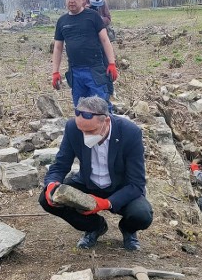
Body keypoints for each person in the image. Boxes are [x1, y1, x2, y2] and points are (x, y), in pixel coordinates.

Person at [40, 96, 153, 251]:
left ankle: (128, 229)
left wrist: (106, 203)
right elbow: (60, 165)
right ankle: (95, 226)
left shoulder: (130, 132)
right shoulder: (73, 128)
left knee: (142, 216)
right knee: (47, 199)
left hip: (121, 187)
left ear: (106, 121)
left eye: (91, 131)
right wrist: (52, 184)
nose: (85, 135)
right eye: (82, 131)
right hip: (88, 183)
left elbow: (137, 183)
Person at [51, 0, 118, 109]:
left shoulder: (93, 16)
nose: (71, 0)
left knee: (100, 109)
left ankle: (108, 128)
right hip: (75, 72)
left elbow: (105, 40)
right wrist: (55, 72)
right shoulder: (62, 21)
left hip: (95, 70)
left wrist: (112, 64)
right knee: (81, 109)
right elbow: (58, 48)